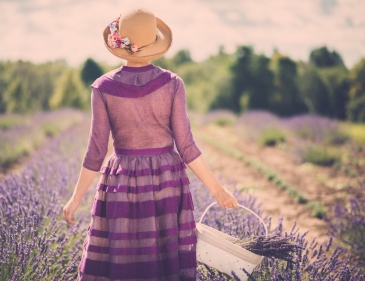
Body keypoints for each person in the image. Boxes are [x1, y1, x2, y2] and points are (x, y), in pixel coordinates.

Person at [63, 7, 238, 281]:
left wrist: (75, 199)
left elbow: (96, 150)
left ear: (120, 42)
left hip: (121, 180)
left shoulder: (103, 87)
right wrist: (217, 190)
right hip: (166, 180)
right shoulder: (172, 84)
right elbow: (187, 145)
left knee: (123, 260)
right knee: (163, 263)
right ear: (154, 43)